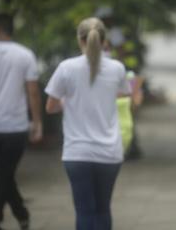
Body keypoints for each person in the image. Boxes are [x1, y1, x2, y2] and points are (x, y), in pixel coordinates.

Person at [45, 17, 130, 230]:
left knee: (84, 211)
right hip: (109, 152)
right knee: (103, 209)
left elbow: (50, 107)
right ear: (104, 40)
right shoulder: (117, 68)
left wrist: (68, 101)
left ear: (79, 39)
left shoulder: (66, 68)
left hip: (77, 152)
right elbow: (122, 94)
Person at [0, 14, 43, 230]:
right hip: (15, 127)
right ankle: (19, 215)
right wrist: (37, 122)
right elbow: (33, 92)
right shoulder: (25, 55)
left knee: (3, 174)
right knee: (5, 175)